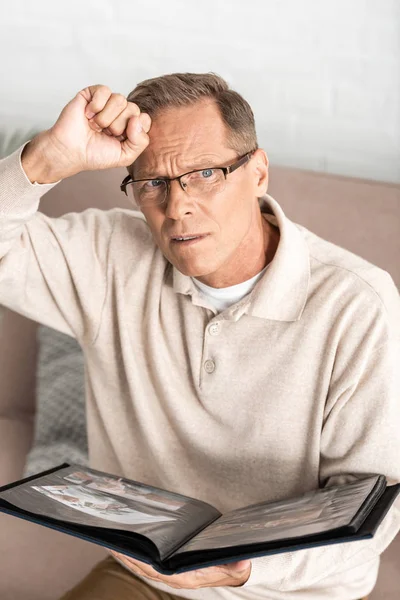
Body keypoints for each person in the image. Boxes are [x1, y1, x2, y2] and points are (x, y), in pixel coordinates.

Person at [0, 72, 399, 600]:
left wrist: (241, 569)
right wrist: (47, 158)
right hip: (148, 574)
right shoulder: (109, 257)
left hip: (293, 589)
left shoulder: (357, 304)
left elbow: (375, 506)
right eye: (153, 183)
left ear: (258, 173)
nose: (177, 206)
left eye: (205, 173)